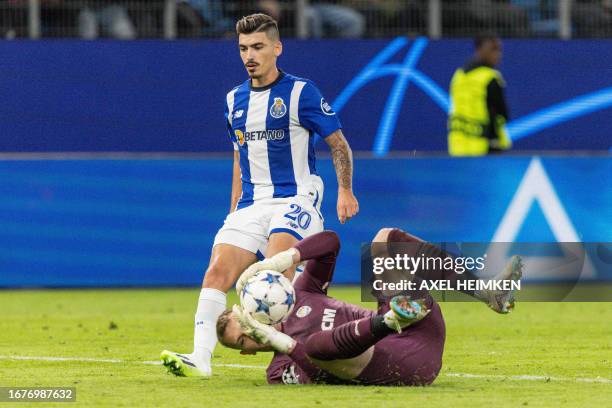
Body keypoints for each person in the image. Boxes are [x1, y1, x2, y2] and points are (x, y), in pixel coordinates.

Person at [160, 13, 359, 377]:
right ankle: (200, 359)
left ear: (276, 48)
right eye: (243, 48)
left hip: (296, 199)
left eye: (258, 47)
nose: (250, 55)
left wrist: (345, 190)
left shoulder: (301, 92)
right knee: (216, 273)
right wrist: (234, 205)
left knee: (272, 276)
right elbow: (240, 154)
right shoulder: (234, 99)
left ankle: (292, 353)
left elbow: (339, 144)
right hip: (252, 203)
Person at [210, 229, 522, 385]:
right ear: (246, 351)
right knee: (314, 347)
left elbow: (330, 242)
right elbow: (317, 370)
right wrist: (282, 342)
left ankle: (487, 291)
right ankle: (388, 320)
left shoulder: (302, 294)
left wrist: (280, 260)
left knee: (385, 240)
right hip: (398, 366)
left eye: (248, 321)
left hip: (417, 326)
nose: (253, 333)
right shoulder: (278, 372)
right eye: (244, 338)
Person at [448, 34, 512, 156]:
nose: (498, 54)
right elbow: (502, 114)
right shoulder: (490, 78)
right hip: (487, 147)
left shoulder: (458, 75)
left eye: (499, 50)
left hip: (458, 147)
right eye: (493, 49)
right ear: (479, 50)